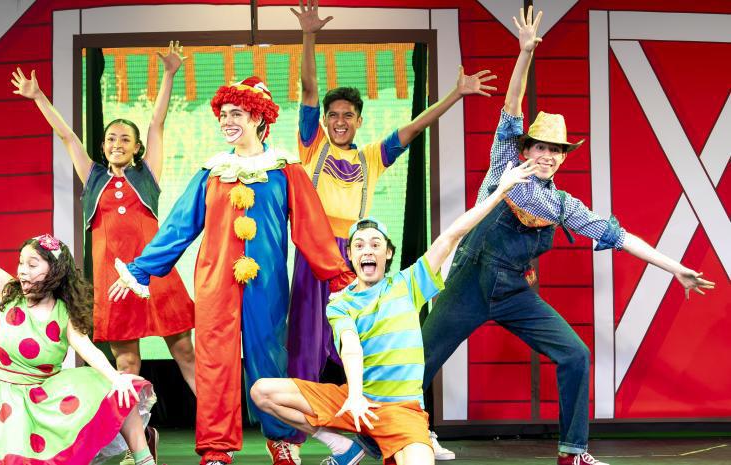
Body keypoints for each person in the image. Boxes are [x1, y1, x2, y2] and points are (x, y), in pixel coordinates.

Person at [420, 7, 716, 465]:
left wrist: (676, 268)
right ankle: (385, 440)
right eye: (541, 147)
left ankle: (572, 452)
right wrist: (525, 52)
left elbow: (621, 236)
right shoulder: (505, 165)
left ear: (562, 158)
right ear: (527, 149)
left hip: (513, 291)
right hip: (468, 283)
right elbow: (512, 105)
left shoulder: (562, 206)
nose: (547, 156)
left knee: (575, 355)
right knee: (416, 361)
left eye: (556, 151)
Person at [109, 77, 355, 465]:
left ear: (258, 118)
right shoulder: (213, 171)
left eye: (236, 114)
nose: (227, 121)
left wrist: (339, 277)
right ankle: (216, 448)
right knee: (214, 364)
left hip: (266, 283)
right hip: (215, 281)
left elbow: (311, 227)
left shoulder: (285, 169)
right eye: (223, 114)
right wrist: (141, 270)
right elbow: (179, 226)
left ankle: (281, 440)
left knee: (269, 360)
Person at [287, 3, 494, 459]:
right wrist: (308, 36)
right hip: (314, 258)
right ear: (325, 120)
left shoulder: (371, 158)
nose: (340, 121)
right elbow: (308, 89)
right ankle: (304, 441)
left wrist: (456, 94)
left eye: (348, 115)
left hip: (353, 259)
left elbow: (414, 128)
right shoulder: (312, 146)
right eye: (333, 114)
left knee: (372, 345)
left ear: (359, 120)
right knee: (305, 346)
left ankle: (400, 426)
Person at [250, 159, 535, 465]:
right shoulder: (340, 302)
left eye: (375, 244)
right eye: (359, 245)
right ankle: (343, 447)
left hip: (402, 411)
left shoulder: (409, 283)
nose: (367, 250)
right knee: (262, 391)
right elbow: (350, 346)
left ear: (387, 253)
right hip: (357, 402)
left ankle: (391, 444)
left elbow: (452, 235)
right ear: (350, 255)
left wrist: (500, 191)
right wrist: (355, 396)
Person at [0, 174, 158, 465]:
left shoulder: (63, 313)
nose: (23, 271)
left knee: (118, 388)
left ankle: (144, 459)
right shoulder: (9, 293)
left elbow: (88, 349)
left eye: (32, 265)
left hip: (43, 401)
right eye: (21, 263)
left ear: (53, 271)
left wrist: (115, 378)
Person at [12, 42, 195, 412]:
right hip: (114, 285)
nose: (117, 144)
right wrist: (39, 97)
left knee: (185, 353)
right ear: (103, 145)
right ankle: (137, 435)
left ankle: (216, 430)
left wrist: (169, 74)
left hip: (155, 277)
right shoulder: (94, 177)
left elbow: (157, 123)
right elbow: (67, 136)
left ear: (137, 147)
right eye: (111, 138)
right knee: (126, 364)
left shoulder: (147, 176)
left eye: (125, 139)